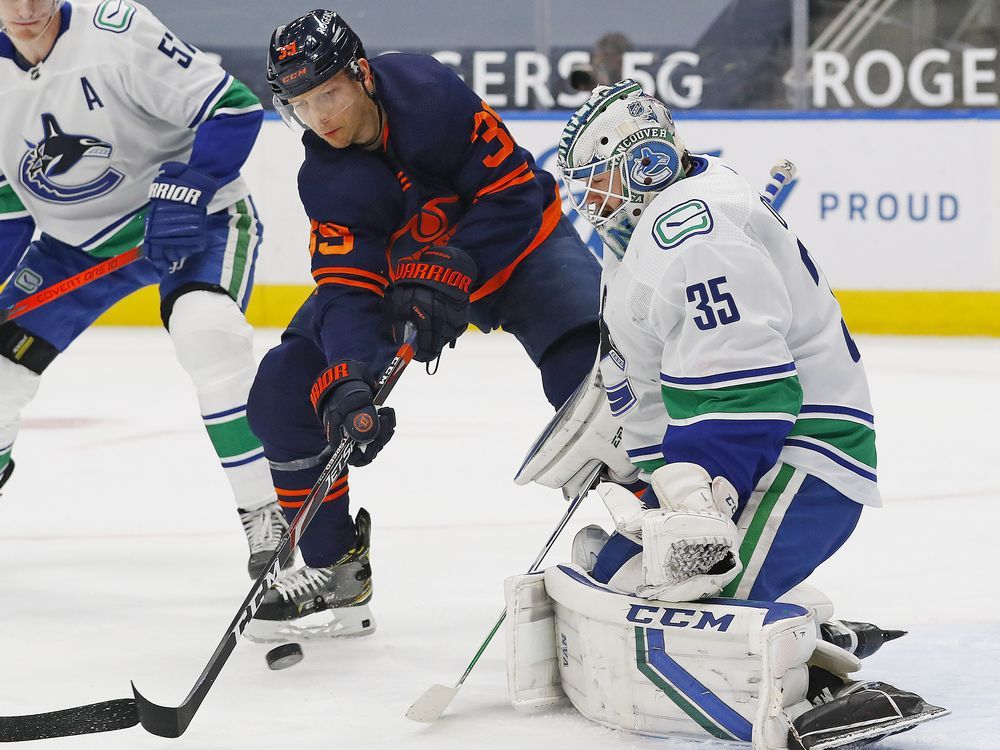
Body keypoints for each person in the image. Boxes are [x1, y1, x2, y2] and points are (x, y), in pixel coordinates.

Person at [518, 78, 946, 747]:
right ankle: (800, 626)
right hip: (742, 457)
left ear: (646, 164)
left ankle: (816, 682)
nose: (589, 202)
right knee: (621, 573)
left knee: (680, 600)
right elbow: (652, 383)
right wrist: (639, 468)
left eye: (598, 182)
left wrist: (696, 500)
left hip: (803, 461)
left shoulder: (695, 236)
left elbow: (747, 395)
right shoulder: (641, 239)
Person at [244, 10, 602, 641]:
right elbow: (347, 289)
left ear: (362, 76)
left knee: (594, 373)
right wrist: (351, 378)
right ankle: (335, 571)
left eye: (328, 93)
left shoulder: (430, 94)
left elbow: (514, 192)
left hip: (519, 252)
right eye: (301, 104)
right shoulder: (324, 177)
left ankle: (668, 522)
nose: (319, 117)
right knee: (285, 387)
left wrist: (459, 265)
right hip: (406, 282)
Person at [0, 0, 286, 578]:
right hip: (73, 246)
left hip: (193, 220)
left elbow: (233, 108)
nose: (27, 8)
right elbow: (7, 205)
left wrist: (190, 187)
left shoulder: (118, 30)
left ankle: (266, 514)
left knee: (207, 333)